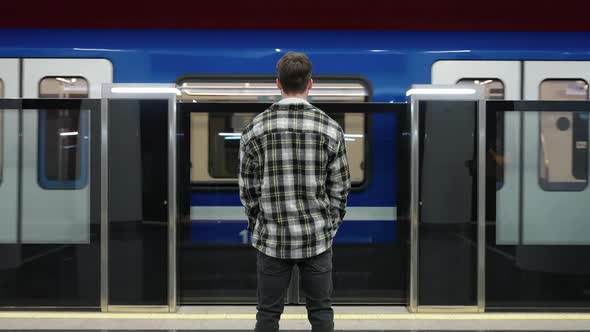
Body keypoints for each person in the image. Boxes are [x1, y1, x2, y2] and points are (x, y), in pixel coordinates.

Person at [239, 51, 351, 332]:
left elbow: (248, 191)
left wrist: (259, 224)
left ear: (278, 84)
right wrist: (328, 226)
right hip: (317, 239)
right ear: (310, 83)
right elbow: (340, 188)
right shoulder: (330, 128)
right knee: (321, 312)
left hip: (272, 239)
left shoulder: (254, 129)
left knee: (267, 314)